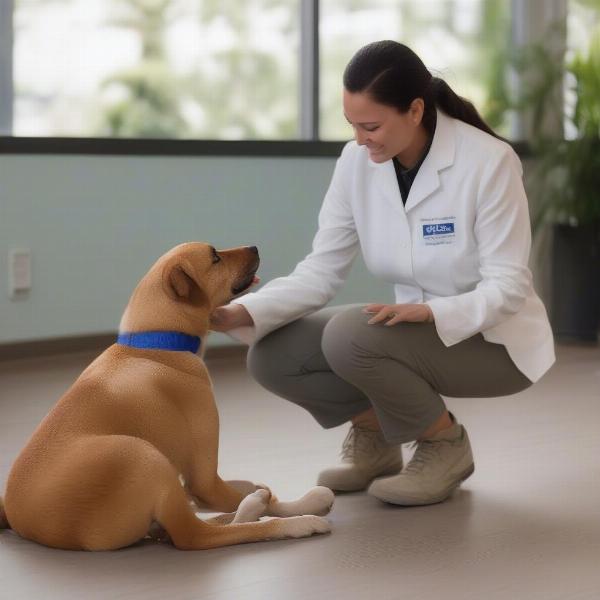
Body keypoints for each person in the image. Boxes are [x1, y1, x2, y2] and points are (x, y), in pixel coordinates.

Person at [210, 40, 555, 506]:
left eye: (371, 126)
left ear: (415, 110)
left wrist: (431, 314)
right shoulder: (357, 162)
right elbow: (322, 269)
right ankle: (376, 444)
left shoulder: (489, 161)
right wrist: (241, 312)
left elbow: (509, 287)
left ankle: (443, 446)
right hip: (413, 329)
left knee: (349, 336)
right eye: (352, 125)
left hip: (494, 341)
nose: (359, 140)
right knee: (273, 354)